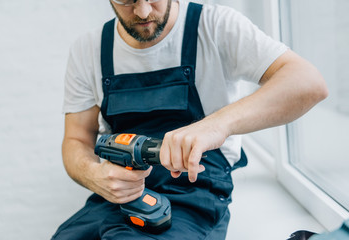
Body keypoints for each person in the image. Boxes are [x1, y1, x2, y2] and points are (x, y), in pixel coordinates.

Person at [52, 0, 328, 239]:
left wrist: (216, 125)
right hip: (116, 196)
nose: (143, 11)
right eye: (127, 0)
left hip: (194, 196)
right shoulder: (88, 49)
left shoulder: (216, 26)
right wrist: (94, 176)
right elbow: (76, 138)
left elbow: (308, 83)